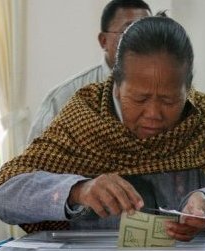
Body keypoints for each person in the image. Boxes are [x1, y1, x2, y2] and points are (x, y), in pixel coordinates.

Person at [0, 16, 205, 242]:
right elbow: (6, 195)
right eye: (139, 98)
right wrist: (78, 190)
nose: (153, 114)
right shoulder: (84, 117)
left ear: (187, 90)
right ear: (116, 86)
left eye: (169, 100)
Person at [27, 0, 152, 144]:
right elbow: (35, 162)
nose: (142, 40)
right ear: (103, 41)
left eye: (147, 31)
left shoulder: (171, 93)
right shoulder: (63, 100)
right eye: (130, 31)